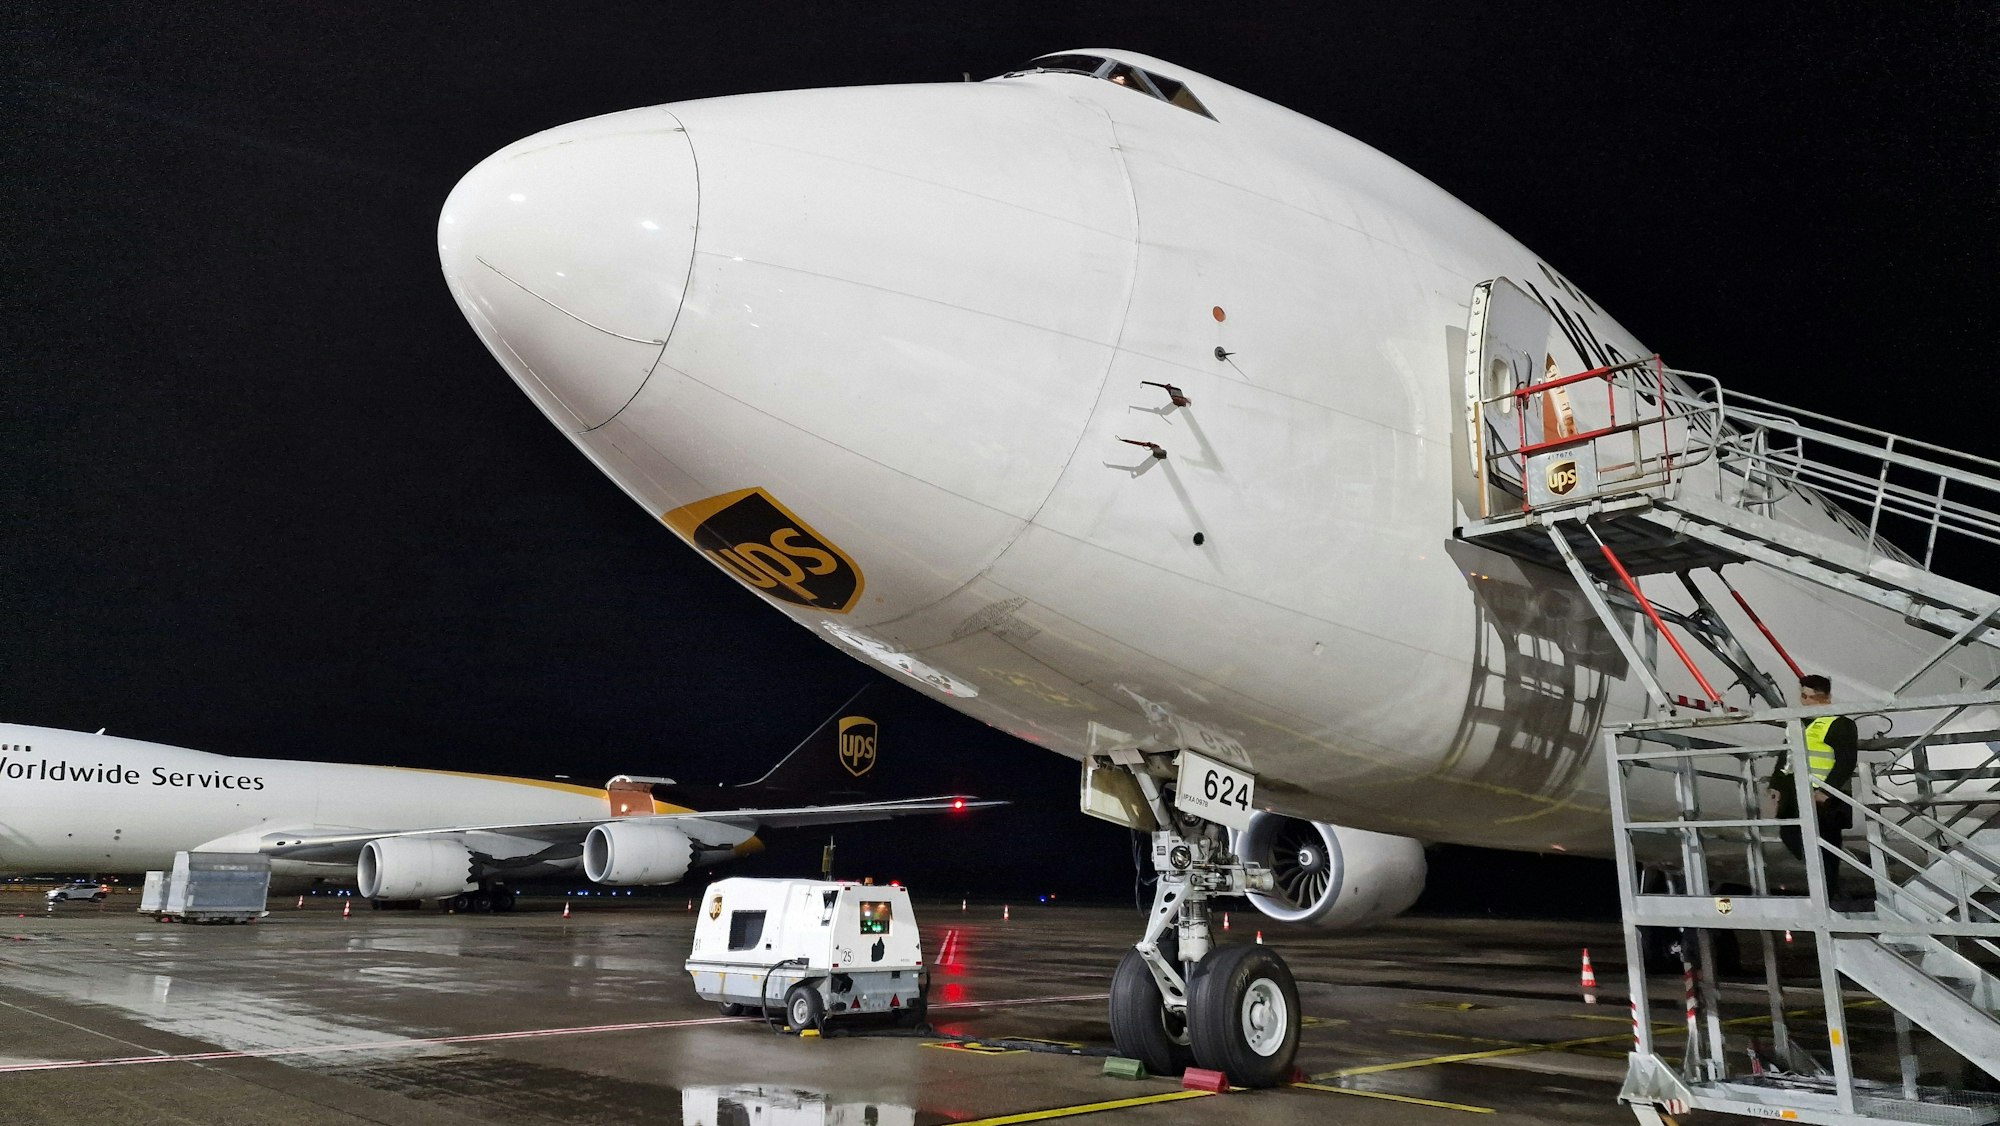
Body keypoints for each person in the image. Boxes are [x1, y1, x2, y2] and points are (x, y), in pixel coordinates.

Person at [1767, 675, 1859, 903]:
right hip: (1796, 794)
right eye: (1803, 696)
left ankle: (1827, 896)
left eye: (1809, 697)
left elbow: (1846, 761)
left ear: (1825, 697)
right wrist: (1776, 784)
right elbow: (1787, 755)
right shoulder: (1800, 723)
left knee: (1826, 846)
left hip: (1824, 798)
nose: (1805, 701)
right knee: (1791, 834)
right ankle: (1824, 890)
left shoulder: (1839, 723)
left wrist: (1826, 792)